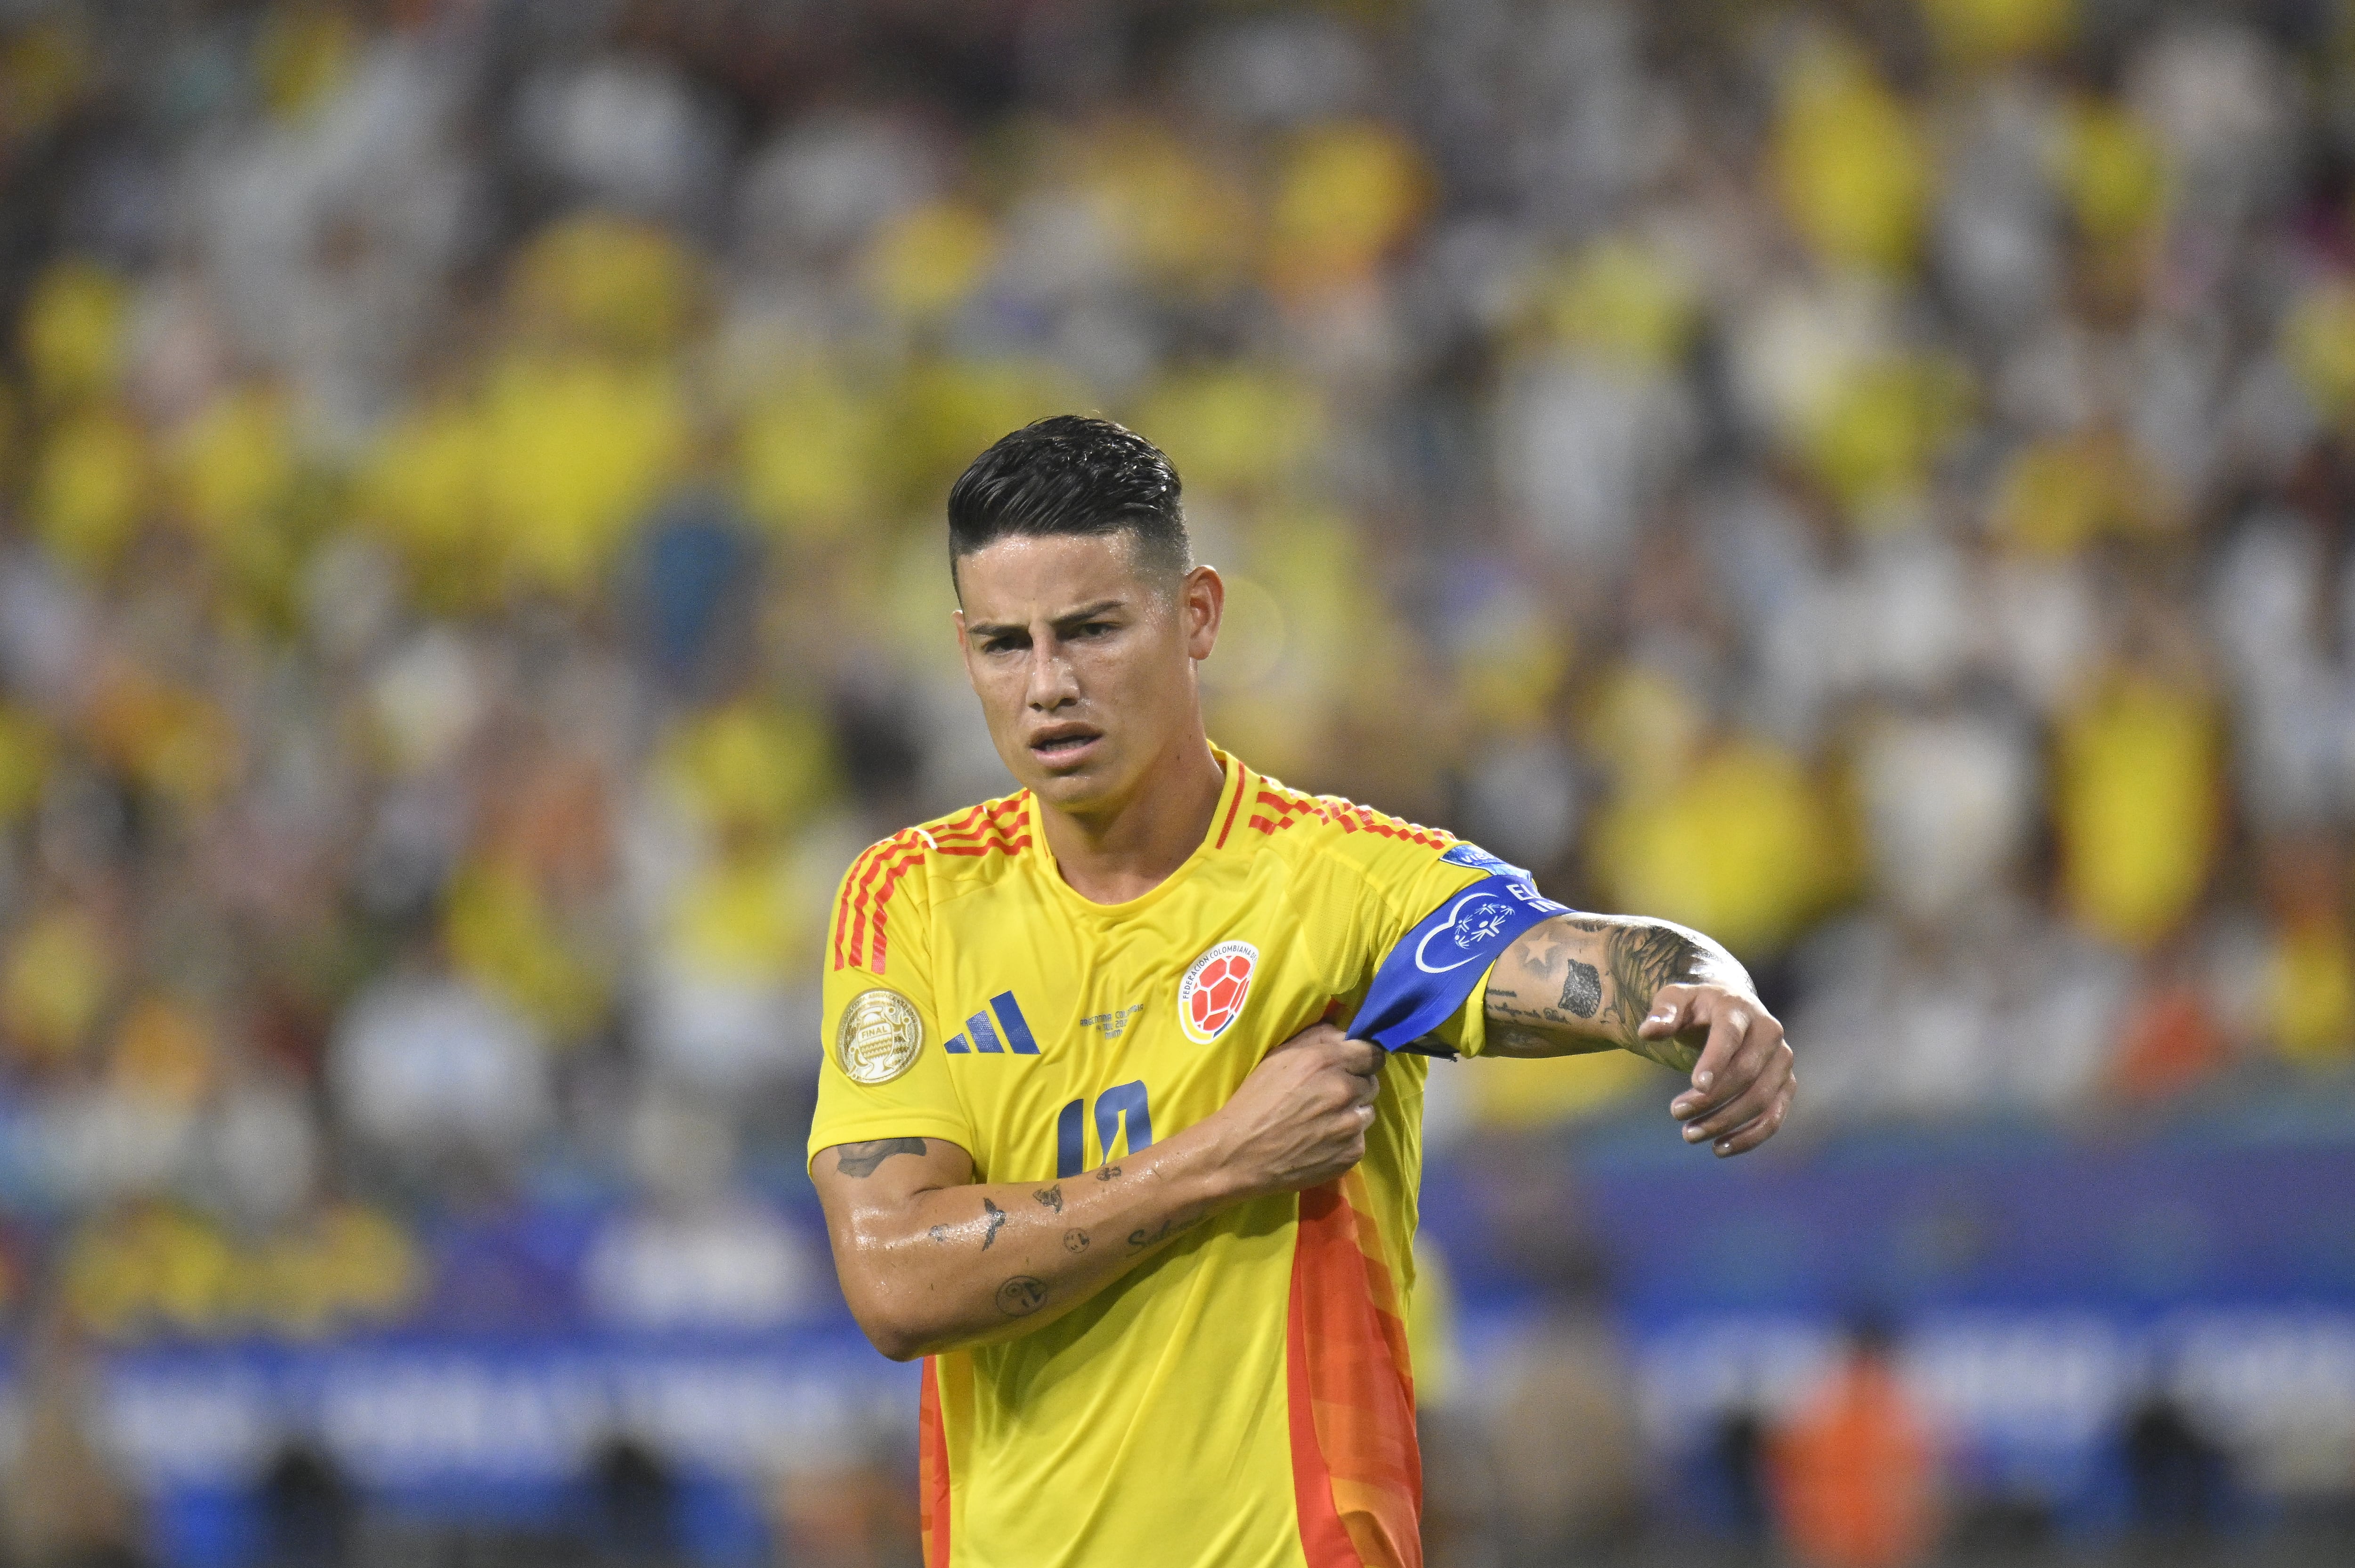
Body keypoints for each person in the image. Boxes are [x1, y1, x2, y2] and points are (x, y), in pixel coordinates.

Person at [807, 416, 1796, 1568]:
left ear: (1197, 617)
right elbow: (893, 1284)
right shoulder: (911, 901)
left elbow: (1583, 958)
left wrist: (1708, 994)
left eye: (1091, 630)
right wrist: (1224, 1156)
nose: (1049, 688)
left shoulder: (1341, 887)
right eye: (1003, 646)